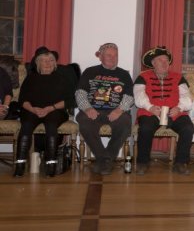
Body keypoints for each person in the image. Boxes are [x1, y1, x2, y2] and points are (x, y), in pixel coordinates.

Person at [133, 46, 194, 176]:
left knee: (188, 127)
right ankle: (143, 162)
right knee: (145, 128)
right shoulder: (142, 77)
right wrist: (150, 107)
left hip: (175, 112)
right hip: (151, 112)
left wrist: (179, 108)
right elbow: (138, 96)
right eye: (160, 60)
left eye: (166, 60)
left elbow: (187, 97)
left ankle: (180, 163)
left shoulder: (178, 77)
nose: (164, 63)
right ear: (153, 63)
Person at [75, 43, 134, 175]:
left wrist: (120, 110)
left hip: (115, 110)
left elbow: (130, 96)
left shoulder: (123, 74)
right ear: (100, 56)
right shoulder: (90, 71)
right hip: (93, 109)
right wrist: (87, 108)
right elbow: (80, 93)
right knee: (84, 122)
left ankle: (104, 160)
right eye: (109, 55)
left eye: (115, 55)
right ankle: (105, 160)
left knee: (125, 123)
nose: (112, 58)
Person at [14, 47, 70, 178]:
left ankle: (51, 165)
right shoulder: (30, 78)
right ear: (38, 63)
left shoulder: (62, 78)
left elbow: (69, 101)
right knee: (26, 125)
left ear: (55, 63)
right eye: (44, 60)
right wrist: (33, 109)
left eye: (51, 60)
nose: (48, 63)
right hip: (32, 110)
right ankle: (20, 165)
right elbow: (22, 100)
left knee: (51, 125)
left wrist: (50, 108)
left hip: (55, 110)